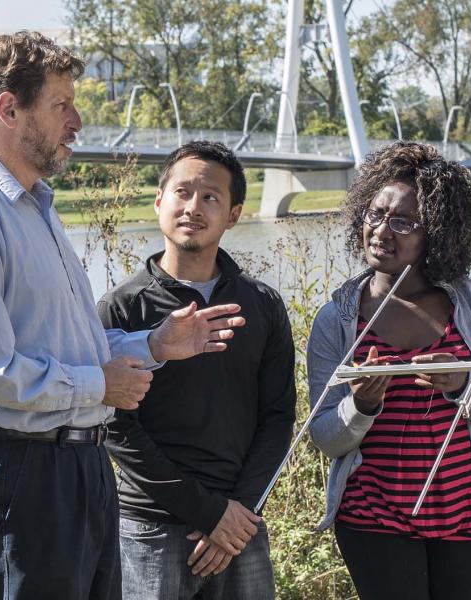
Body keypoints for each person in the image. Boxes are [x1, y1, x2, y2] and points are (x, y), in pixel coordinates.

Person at [0, 32, 245, 600]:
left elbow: (68, 346)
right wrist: (99, 384)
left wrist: (154, 345)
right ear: (8, 109)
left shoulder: (37, 209)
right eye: (61, 104)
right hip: (21, 472)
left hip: (78, 470)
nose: (78, 119)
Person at [306, 142, 471, 600]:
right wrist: (361, 405)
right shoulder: (337, 320)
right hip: (373, 519)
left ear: (437, 234)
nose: (382, 230)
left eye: (403, 221)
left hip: (465, 514)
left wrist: (463, 385)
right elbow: (325, 436)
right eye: (375, 214)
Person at [96, 141, 295, 598]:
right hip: (151, 526)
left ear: (235, 213)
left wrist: (237, 511)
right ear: (159, 201)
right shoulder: (122, 307)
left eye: (211, 197)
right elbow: (116, 426)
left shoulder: (261, 304)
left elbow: (278, 414)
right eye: (182, 192)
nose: (193, 207)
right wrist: (208, 513)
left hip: (241, 522)